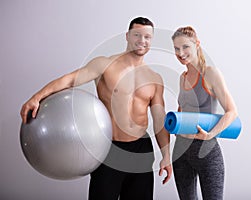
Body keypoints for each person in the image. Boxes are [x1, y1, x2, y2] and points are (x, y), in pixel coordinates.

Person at [20, 17, 172, 200]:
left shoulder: (154, 78)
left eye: (147, 37)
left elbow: (158, 120)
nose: (142, 40)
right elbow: (69, 80)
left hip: (141, 149)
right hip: (109, 148)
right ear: (127, 36)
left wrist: (166, 155)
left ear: (152, 40)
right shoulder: (105, 65)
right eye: (137, 35)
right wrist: (36, 97)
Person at [171, 26, 238, 200]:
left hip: (206, 151)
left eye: (185, 47)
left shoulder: (210, 74)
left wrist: (211, 135)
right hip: (180, 151)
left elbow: (232, 111)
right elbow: (182, 111)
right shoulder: (182, 77)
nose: (181, 53)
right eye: (176, 49)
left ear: (197, 44)